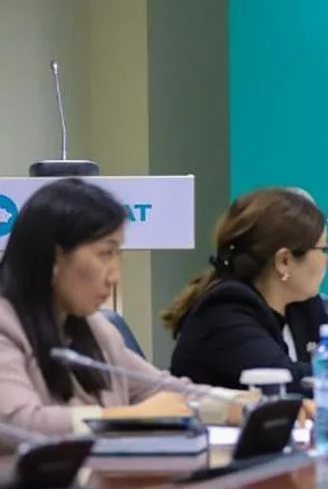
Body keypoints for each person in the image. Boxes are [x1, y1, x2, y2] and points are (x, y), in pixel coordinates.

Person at [0, 179, 250, 443]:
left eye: (118, 254)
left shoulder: (96, 329)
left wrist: (245, 405)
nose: (114, 277)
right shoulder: (6, 325)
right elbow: (15, 423)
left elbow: (167, 392)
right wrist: (127, 418)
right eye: (105, 254)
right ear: (55, 257)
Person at [164, 188, 328, 396]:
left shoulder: (304, 305)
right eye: (325, 249)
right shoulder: (225, 308)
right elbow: (283, 381)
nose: (326, 259)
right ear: (284, 261)